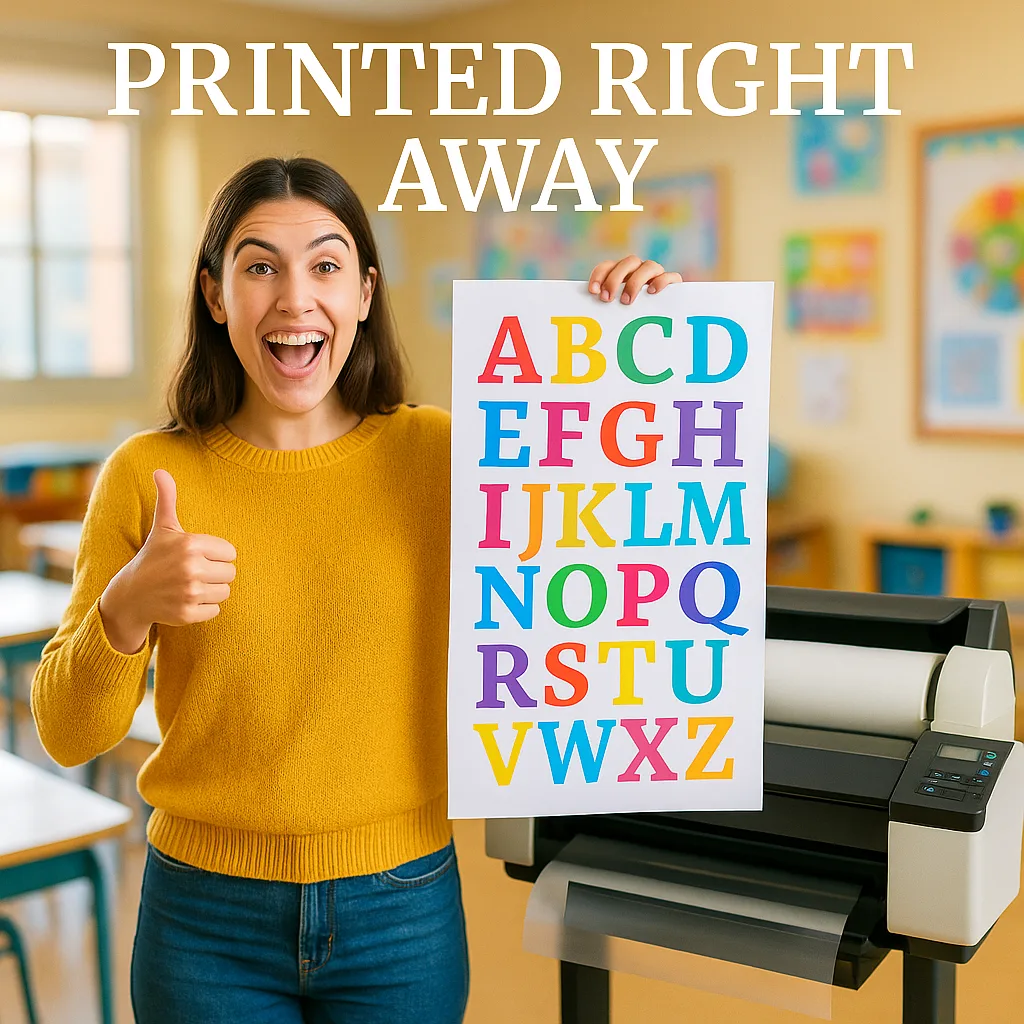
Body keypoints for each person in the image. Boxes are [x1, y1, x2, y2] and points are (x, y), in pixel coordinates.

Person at [30, 155, 682, 1024]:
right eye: (260, 266)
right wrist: (125, 608)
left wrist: (639, 345)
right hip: (202, 919)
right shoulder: (146, 475)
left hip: (401, 908)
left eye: (325, 266)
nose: (294, 298)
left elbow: (617, 549)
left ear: (365, 294)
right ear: (216, 295)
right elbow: (68, 735)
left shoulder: (446, 458)